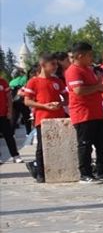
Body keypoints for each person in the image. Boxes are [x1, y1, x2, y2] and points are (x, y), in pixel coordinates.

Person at [65, 42, 103, 183]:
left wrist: (98, 86)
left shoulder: (88, 69)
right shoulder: (73, 71)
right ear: (80, 55)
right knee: (85, 145)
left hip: (96, 112)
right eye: (89, 55)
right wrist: (98, 87)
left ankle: (102, 171)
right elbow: (79, 90)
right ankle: (85, 174)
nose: (92, 58)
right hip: (83, 114)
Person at [19, 54, 68, 183]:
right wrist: (43, 106)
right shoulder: (33, 82)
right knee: (42, 147)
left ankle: (59, 170)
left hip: (59, 118)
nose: (55, 67)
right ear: (43, 65)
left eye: (56, 64)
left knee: (59, 145)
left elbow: (67, 98)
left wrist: (60, 103)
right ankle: (41, 173)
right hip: (43, 119)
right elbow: (27, 101)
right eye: (52, 64)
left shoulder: (57, 81)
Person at [0, 71, 21, 164]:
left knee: (9, 136)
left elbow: (9, 97)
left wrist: (10, 111)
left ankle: (15, 155)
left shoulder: (3, 82)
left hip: (4, 114)